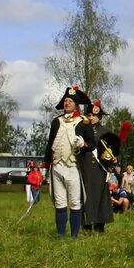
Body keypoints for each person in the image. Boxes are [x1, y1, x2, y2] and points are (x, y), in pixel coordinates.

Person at [44, 85, 88, 238]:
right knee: (60, 202)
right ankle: (61, 235)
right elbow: (50, 145)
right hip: (57, 166)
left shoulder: (83, 122)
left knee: (75, 202)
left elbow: (92, 144)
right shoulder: (56, 122)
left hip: (74, 167)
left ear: (76, 104)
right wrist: (46, 166)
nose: (67, 103)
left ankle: (74, 236)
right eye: (65, 100)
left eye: (70, 101)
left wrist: (83, 144)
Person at [77, 100, 117, 233]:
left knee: (101, 198)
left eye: (93, 115)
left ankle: (100, 226)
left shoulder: (105, 131)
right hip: (85, 168)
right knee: (86, 197)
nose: (90, 117)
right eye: (88, 115)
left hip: (100, 169)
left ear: (99, 116)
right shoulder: (81, 130)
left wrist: (111, 159)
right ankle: (86, 225)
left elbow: (111, 151)